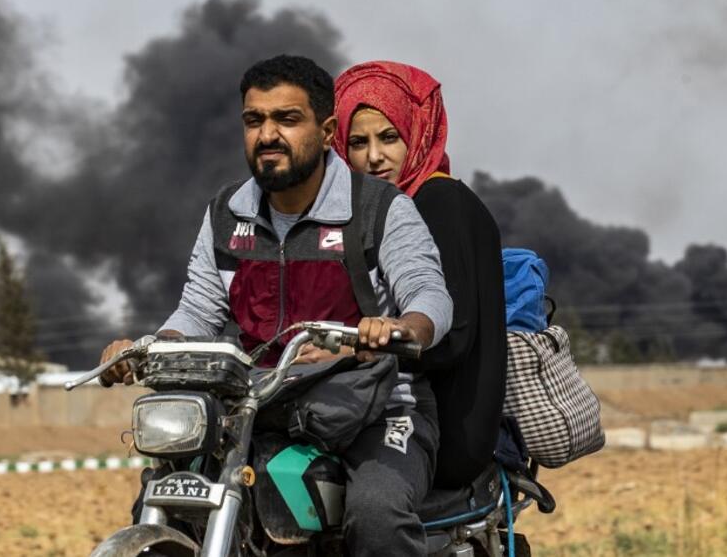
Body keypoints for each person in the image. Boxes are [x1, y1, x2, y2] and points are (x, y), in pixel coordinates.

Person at [99, 54, 453, 555]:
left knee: (377, 513)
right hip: (259, 406)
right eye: (254, 120)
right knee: (168, 497)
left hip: (379, 409)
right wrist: (149, 347)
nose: (268, 135)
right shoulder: (226, 215)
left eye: (287, 119)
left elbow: (428, 293)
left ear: (327, 130)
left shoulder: (379, 208)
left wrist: (402, 328)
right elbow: (197, 312)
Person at [332, 60, 507, 490]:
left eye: (389, 137)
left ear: (417, 132)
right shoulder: (373, 211)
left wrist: (352, 349)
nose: (374, 157)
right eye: (358, 142)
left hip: (444, 432)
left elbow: (451, 340)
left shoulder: (437, 201)